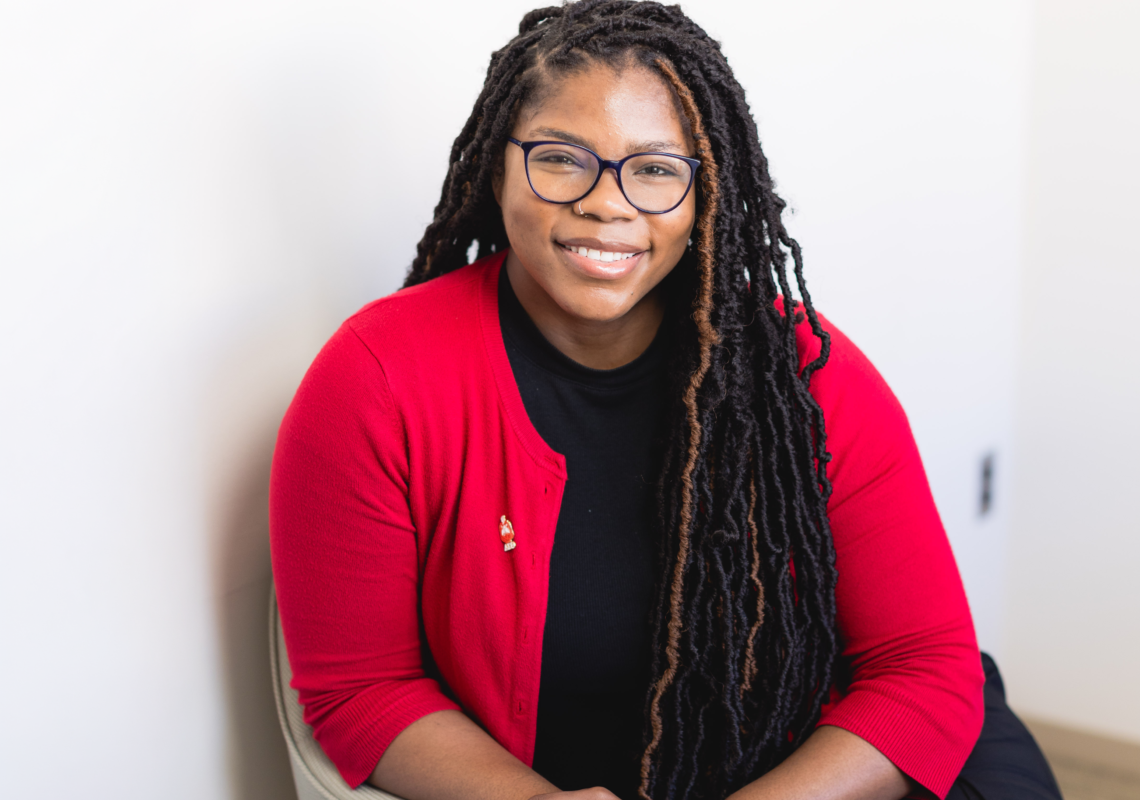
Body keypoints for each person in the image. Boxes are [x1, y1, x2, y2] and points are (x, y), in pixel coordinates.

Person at [269, 2, 1062, 799]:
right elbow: (361, 689)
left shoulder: (805, 374)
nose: (608, 204)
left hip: (837, 767)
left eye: (654, 169)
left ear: (704, 189)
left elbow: (925, 667)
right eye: (561, 158)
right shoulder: (376, 379)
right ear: (498, 167)